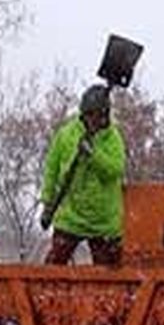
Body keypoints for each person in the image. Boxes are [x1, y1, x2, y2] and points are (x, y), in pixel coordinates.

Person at [40, 84, 126, 265]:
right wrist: (48, 201)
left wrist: (93, 156)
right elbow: (51, 169)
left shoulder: (113, 139)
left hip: (103, 222)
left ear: (105, 116)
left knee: (110, 275)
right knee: (52, 267)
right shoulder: (66, 135)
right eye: (89, 116)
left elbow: (115, 170)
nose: (93, 121)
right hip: (70, 216)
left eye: (97, 116)